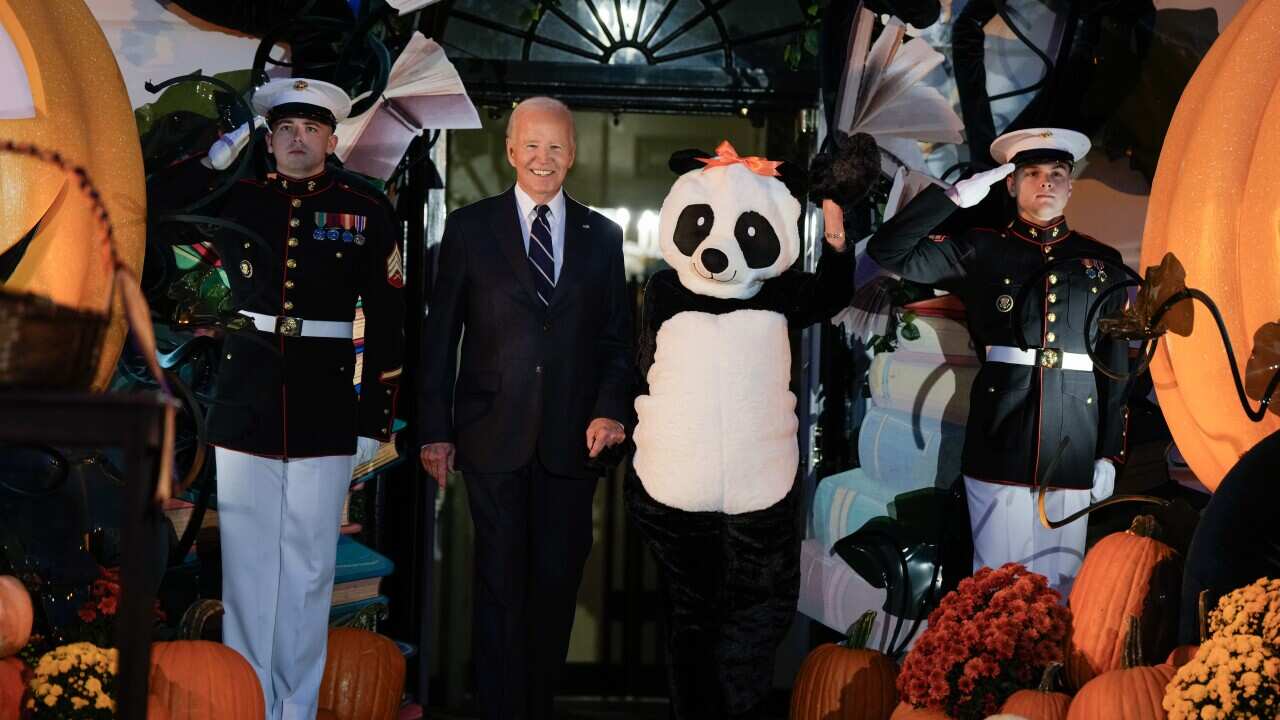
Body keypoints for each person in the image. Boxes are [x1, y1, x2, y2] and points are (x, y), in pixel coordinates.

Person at [148, 77, 403, 719]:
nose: (297, 139)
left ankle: (296, 707)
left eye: (311, 129)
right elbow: (157, 205)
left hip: (325, 402)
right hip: (246, 396)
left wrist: (374, 417)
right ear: (268, 138)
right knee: (247, 567)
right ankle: (248, 704)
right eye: (285, 128)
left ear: (332, 140)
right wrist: (215, 158)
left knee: (311, 569)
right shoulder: (238, 194)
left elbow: (390, 320)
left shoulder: (365, 208)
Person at [418, 96, 633, 720]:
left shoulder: (603, 236)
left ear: (573, 154)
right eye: (532, 145)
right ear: (510, 150)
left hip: (573, 444)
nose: (544, 158)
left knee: (556, 590)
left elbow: (618, 340)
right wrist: (434, 429)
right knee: (500, 588)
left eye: (556, 146)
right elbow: (440, 338)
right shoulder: (469, 228)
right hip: (492, 437)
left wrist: (610, 410)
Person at [867, 128, 1128, 595]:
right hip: (1001, 435)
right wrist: (952, 199)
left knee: (1061, 587)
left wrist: (1109, 451)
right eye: (1032, 173)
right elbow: (889, 250)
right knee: (998, 582)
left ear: (1071, 186)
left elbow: (1115, 367)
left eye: (1057, 173)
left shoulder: (1102, 262)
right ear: (1010, 184)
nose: (1045, 181)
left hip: (1074, 438)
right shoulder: (981, 248)